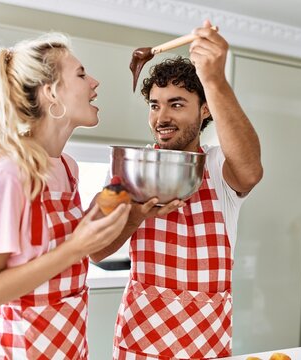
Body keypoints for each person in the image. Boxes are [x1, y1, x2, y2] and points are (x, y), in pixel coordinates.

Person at [91, 20, 263, 359]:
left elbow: (250, 171)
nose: (162, 117)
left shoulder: (216, 168)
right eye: (155, 105)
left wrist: (214, 78)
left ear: (204, 109)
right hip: (140, 344)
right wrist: (137, 215)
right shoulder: (132, 170)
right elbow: (95, 251)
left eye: (177, 104)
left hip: (206, 346)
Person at [0, 33, 131, 359]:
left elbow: (59, 249)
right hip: (18, 351)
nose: (94, 82)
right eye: (81, 74)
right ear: (51, 93)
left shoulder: (68, 168)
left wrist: (100, 212)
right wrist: (75, 248)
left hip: (67, 348)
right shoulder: (10, 176)